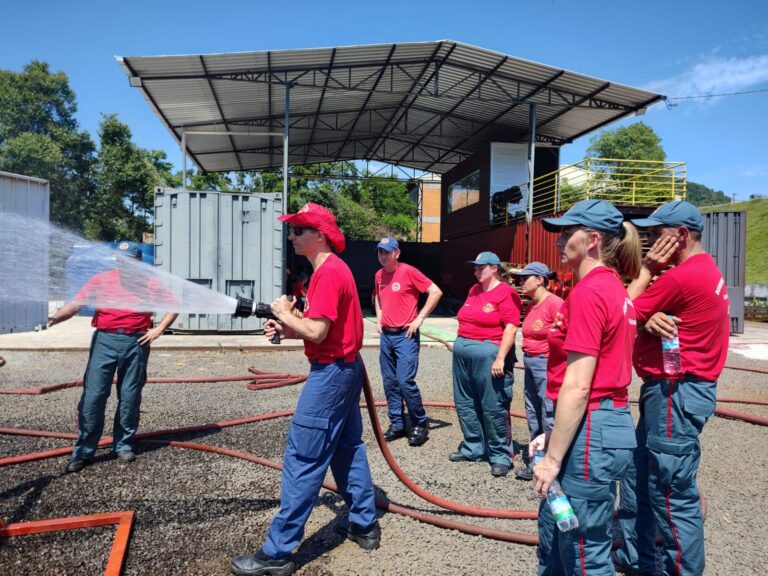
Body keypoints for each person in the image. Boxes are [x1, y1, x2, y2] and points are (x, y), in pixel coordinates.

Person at [231, 203, 379, 576]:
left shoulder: (327, 273)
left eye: (298, 230)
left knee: (304, 457)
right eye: (292, 230)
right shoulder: (329, 271)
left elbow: (317, 332)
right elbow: (317, 326)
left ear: (320, 235)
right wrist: (286, 327)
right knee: (347, 448)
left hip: (330, 376)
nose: (292, 236)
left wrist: (283, 313)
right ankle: (364, 523)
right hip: (344, 369)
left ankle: (276, 554)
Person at [615, 201, 730, 576]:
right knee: (638, 475)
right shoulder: (703, 268)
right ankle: (636, 559)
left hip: (674, 392)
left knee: (670, 494)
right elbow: (641, 313)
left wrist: (646, 273)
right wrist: (648, 319)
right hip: (672, 392)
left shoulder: (681, 276)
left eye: (654, 233)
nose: (648, 241)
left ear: (680, 235)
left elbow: (618, 312)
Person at [531, 199, 642, 574]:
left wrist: (553, 459)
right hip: (601, 424)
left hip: (592, 427)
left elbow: (579, 386)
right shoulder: (612, 289)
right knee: (564, 531)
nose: (559, 242)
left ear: (592, 239)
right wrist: (555, 436)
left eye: (567, 233)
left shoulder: (590, 293)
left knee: (584, 549)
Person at [47, 242, 178, 473]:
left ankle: (124, 444)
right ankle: (84, 451)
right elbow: (75, 304)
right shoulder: (101, 280)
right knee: (93, 396)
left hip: (136, 342)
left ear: (138, 261)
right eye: (120, 259)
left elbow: (173, 305)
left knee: (129, 395)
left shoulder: (149, 283)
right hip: (104, 341)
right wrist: (55, 318)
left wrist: (159, 329)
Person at [450, 251, 521, 477]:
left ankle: (500, 454)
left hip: (489, 355)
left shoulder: (506, 293)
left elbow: (511, 326)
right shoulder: (474, 290)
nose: (476, 271)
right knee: (466, 402)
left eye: (481, 267)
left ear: (494, 269)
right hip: (464, 354)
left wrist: (500, 357)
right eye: (475, 267)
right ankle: (474, 447)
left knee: (494, 405)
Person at [373, 236, 443, 447]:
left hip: (406, 336)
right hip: (387, 335)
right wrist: (379, 317)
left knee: (404, 381)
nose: (383, 256)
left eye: (387, 252)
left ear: (397, 253)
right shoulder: (379, 275)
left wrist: (419, 318)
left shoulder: (408, 272)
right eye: (380, 252)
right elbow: (377, 297)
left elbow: (435, 291)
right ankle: (397, 424)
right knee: (389, 382)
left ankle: (419, 423)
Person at [511, 262, 563, 481]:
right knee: (533, 410)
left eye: (526, 278)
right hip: (531, 361)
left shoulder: (555, 304)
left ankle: (550, 461)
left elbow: (564, 336)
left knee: (548, 411)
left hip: (547, 363)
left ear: (540, 279)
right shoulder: (533, 305)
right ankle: (537, 459)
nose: (521, 282)